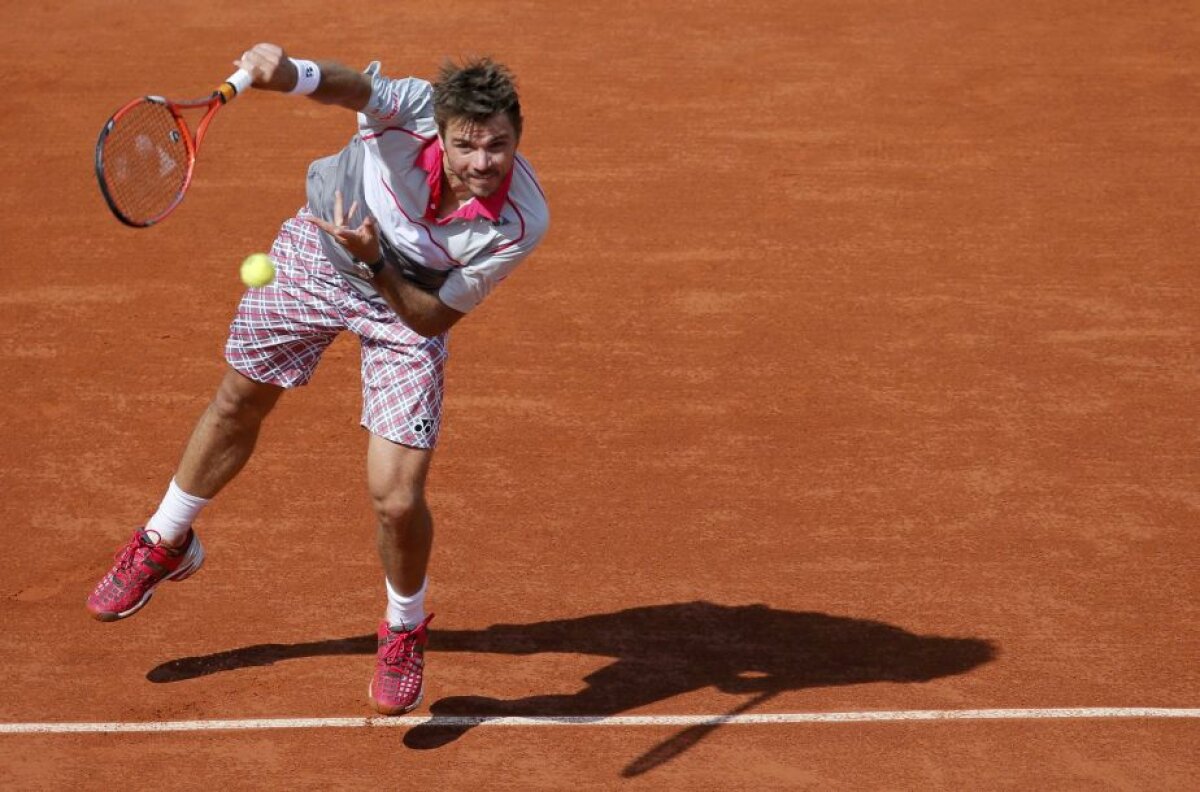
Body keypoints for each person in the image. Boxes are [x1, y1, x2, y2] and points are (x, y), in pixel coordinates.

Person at [85, 42, 549, 716]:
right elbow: (350, 88)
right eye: (467, 146)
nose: (482, 163)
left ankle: (403, 625)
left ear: (518, 138)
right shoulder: (412, 107)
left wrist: (380, 266)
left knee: (396, 498)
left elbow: (427, 321)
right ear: (441, 133)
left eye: (498, 147)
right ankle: (166, 539)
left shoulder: (521, 221)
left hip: (403, 304)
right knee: (240, 399)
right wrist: (290, 76)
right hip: (318, 255)